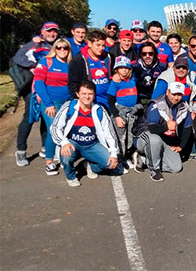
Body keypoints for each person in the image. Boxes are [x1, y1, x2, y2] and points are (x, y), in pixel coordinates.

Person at [51, 81, 125, 187]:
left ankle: (89, 165)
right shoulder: (69, 107)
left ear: (94, 95)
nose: (87, 97)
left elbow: (110, 133)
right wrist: (63, 142)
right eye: (84, 94)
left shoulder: (99, 110)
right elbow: (55, 127)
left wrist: (113, 153)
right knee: (66, 156)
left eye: (90, 94)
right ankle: (71, 176)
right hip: (73, 143)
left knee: (111, 164)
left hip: (92, 145)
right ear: (78, 94)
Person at [12, 22, 58, 166]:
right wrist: (36, 63)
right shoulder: (34, 44)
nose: (52, 34)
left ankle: (45, 147)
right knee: (30, 118)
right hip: (33, 88)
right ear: (42, 32)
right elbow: (18, 59)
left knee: (46, 117)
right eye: (49, 31)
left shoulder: (56, 46)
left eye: (54, 31)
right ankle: (21, 151)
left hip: (48, 88)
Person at [135, 82, 192, 181]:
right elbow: (151, 128)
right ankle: (154, 170)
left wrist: (181, 146)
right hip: (145, 137)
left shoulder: (184, 106)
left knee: (176, 167)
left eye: (179, 94)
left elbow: (188, 127)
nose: (176, 97)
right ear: (167, 92)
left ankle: (144, 159)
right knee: (155, 140)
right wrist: (167, 126)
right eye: (174, 94)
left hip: (166, 140)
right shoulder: (157, 104)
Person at [33, 38, 73, 175]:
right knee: (53, 130)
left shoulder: (71, 64)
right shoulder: (46, 62)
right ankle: (49, 161)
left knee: (66, 130)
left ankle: (63, 156)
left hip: (67, 102)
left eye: (65, 48)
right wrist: (48, 104)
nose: (62, 50)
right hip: (50, 102)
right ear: (54, 49)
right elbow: (39, 84)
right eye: (59, 47)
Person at [68, 30, 111, 109]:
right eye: (98, 45)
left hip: (108, 100)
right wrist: (81, 102)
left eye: (103, 45)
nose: (101, 48)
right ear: (90, 43)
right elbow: (73, 84)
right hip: (90, 102)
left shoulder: (108, 58)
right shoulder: (78, 60)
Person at [107, 56, 140, 155]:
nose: (124, 70)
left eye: (126, 68)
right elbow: (110, 101)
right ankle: (119, 158)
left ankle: (127, 155)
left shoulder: (132, 81)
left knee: (130, 135)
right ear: (116, 69)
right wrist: (116, 116)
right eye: (121, 68)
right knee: (120, 136)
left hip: (132, 112)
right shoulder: (115, 82)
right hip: (120, 111)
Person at [132, 42, 168, 106]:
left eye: (150, 53)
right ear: (140, 55)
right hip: (139, 99)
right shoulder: (135, 67)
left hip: (156, 99)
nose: (147, 56)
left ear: (154, 54)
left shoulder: (162, 67)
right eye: (144, 54)